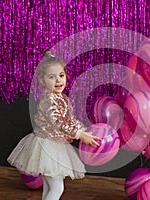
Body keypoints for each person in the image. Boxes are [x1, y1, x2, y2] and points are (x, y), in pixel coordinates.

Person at [7, 50, 101, 200]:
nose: (58, 80)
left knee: (50, 186)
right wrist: (80, 135)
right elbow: (58, 123)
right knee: (57, 188)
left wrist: (85, 130)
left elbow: (69, 120)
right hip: (47, 146)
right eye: (52, 77)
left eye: (61, 76)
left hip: (55, 145)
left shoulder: (62, 98)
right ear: (42, 81)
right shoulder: (48, 100)